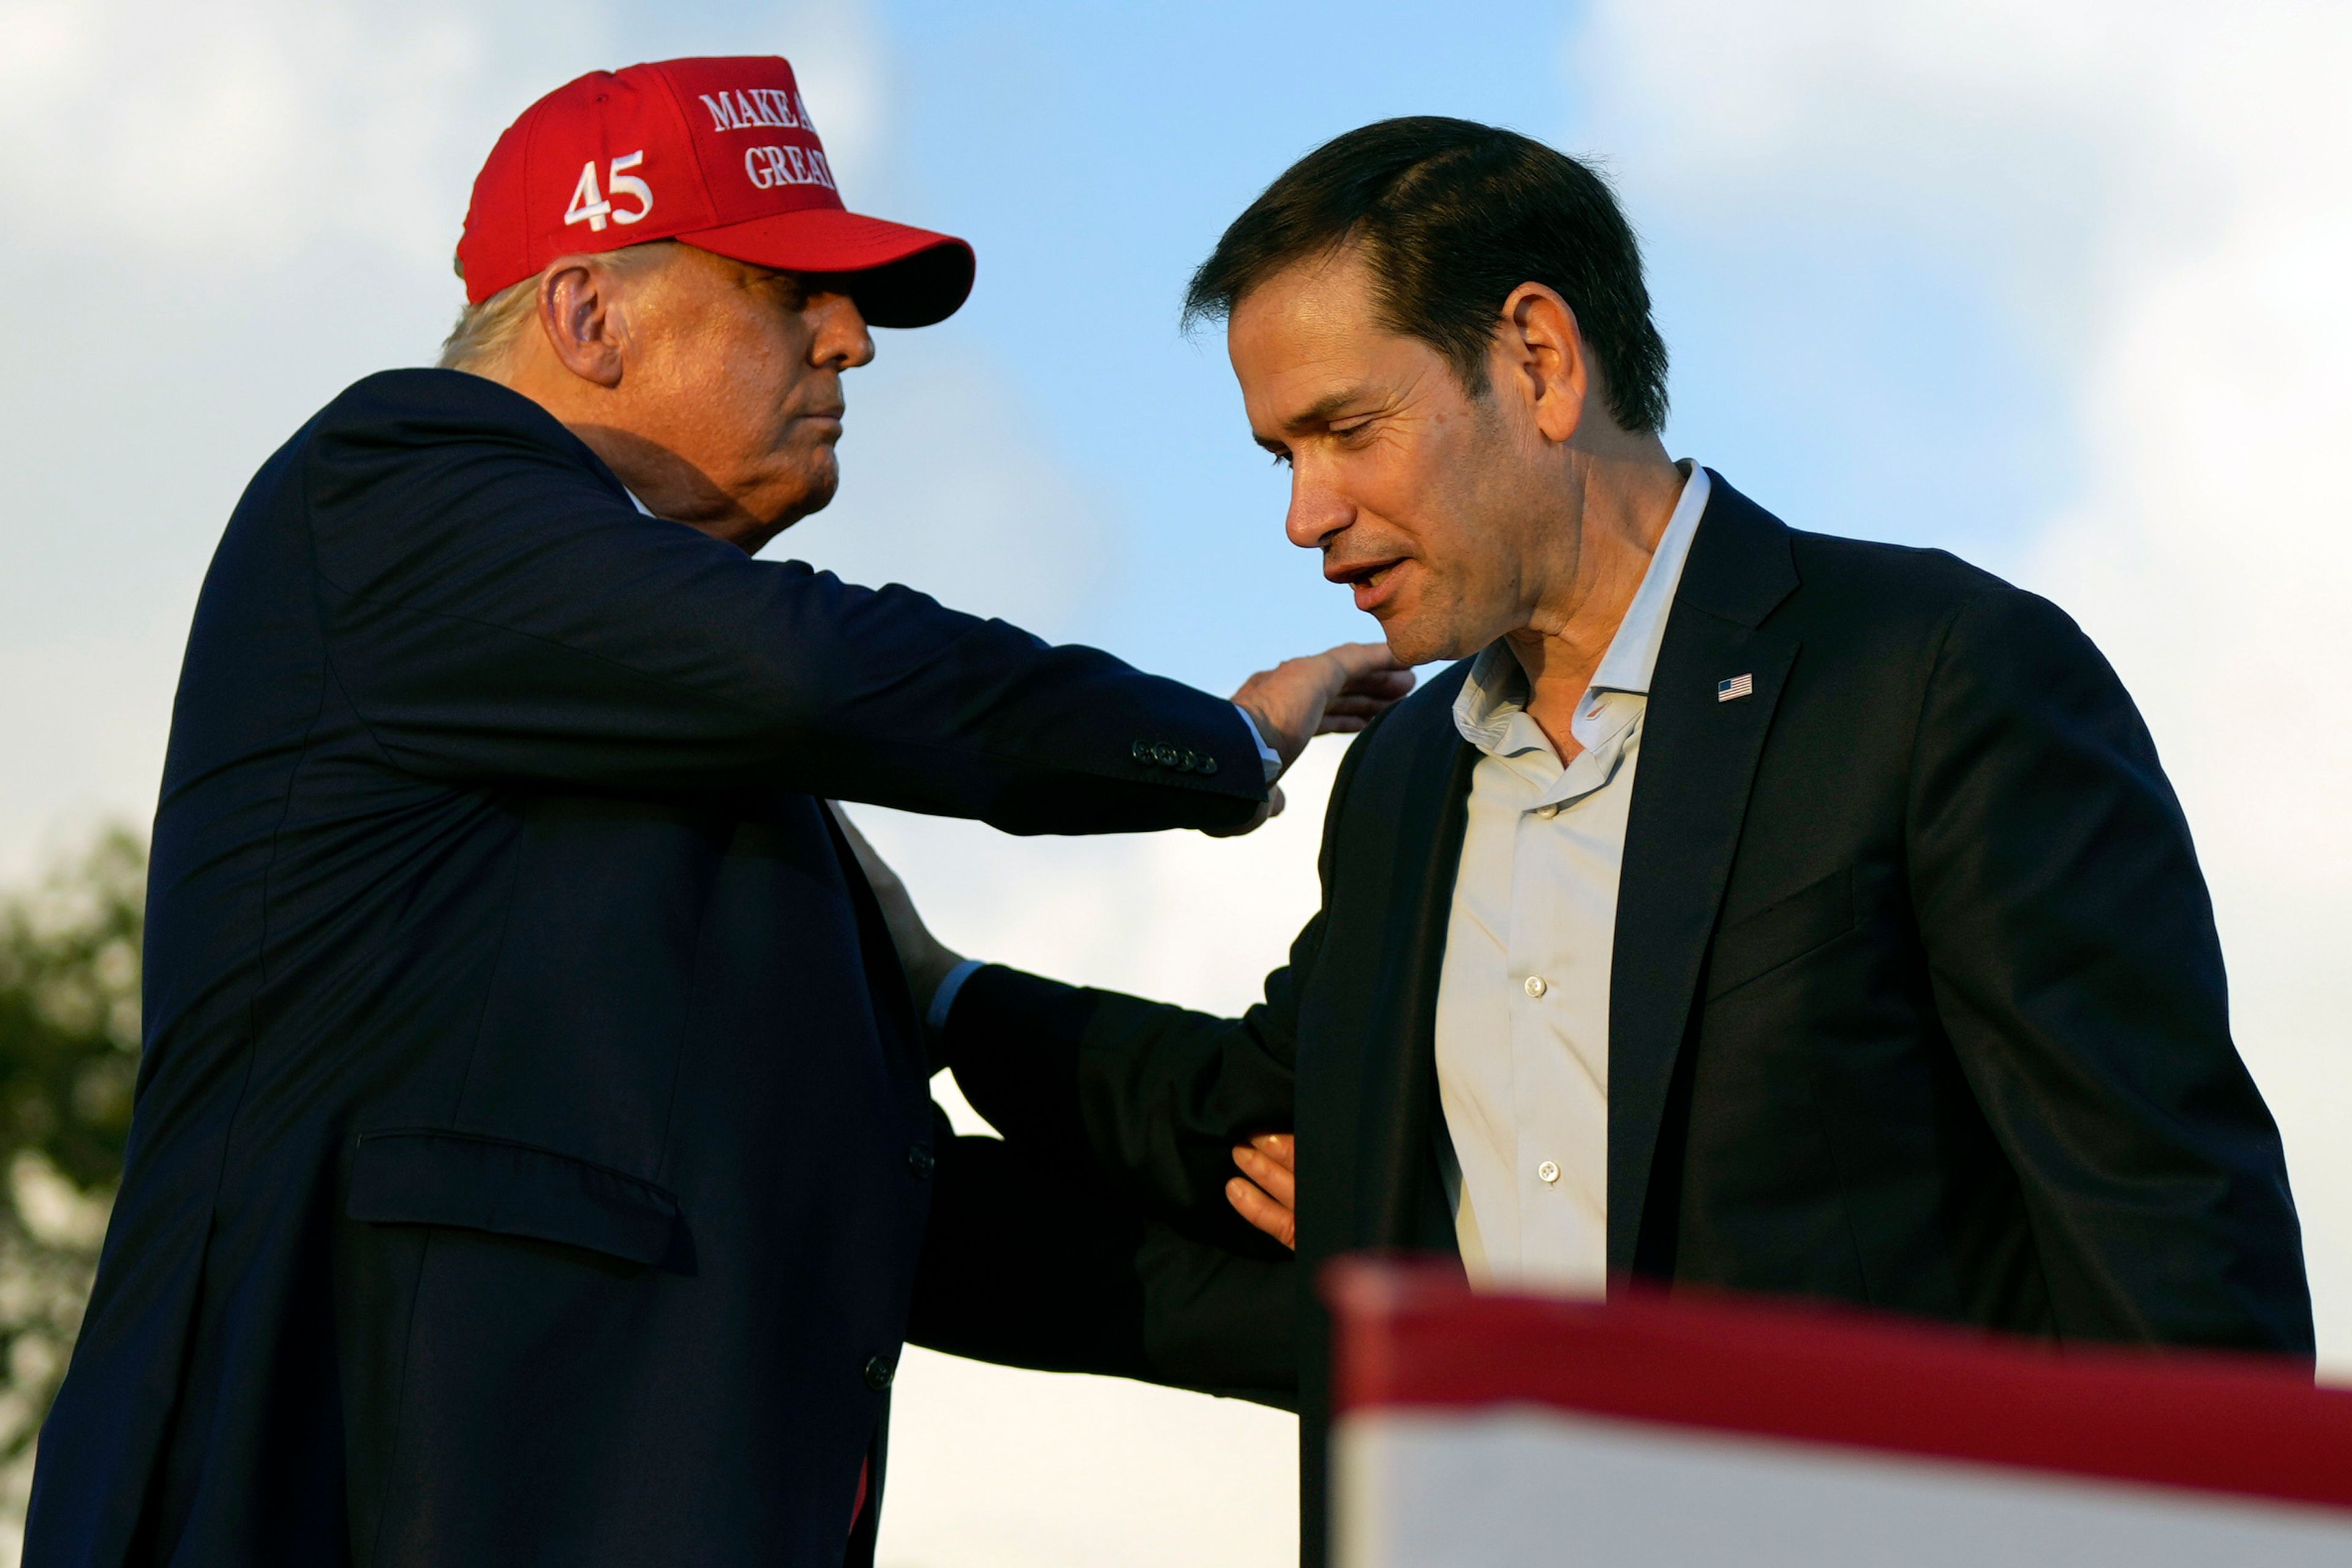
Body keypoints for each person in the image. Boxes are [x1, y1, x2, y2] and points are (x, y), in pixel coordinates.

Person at [865, 116, 2316, 1566]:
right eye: (1280, 454)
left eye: (1347, 429)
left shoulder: (1934, 675)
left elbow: (2165, 1236)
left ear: (1540, 361)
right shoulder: (1405, 784)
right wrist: (938, 988)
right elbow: (1251, 1114)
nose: (1309, 513)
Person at [23, 56, 1407, 1568]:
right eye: (782, 290)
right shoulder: (389, 481)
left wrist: (1389, 1318)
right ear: (585, 313)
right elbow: (814, 660)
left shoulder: (676, 732)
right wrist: (1219, 736)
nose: (851, 339)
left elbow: (877, 1208)